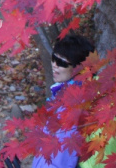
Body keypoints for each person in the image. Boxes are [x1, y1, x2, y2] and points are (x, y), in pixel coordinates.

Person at [28, 34, 96, 168]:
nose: (54, 65)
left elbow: (60, 161)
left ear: (79, 69)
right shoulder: (64, 95)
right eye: (54, 58)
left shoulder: (70, 107)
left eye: (62, 63)